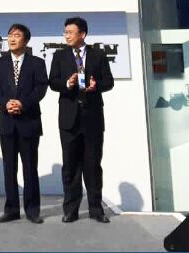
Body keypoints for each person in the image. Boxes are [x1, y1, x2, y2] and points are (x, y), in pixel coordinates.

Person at [49, 16, 114, 224]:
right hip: (69, 117)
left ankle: (96, 209)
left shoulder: (98, 55)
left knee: (93, 165)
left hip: (92, 117)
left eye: (70, 32)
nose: (66, 35)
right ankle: (71, 210)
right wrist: (67, 84)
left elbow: (109, 81)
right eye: (65, 32)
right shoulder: (60, 56)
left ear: (82, 34)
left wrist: (97, 86)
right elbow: (53, 82)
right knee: (70, 166)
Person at [0, 23, 48, 224]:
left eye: (17, 35)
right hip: (7, 121)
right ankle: (11, 209)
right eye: (10, 35)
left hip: (29, 121)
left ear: (26, 40)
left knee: (30, 167)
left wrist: (22, 104)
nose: (12, 39)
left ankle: (32, 210)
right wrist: (6, 103)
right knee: (9, 168)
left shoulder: (37, 63)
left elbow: (40, 89)